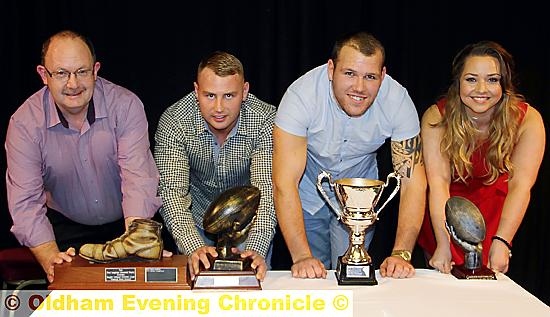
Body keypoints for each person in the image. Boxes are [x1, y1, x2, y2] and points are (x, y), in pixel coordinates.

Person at [5, 30, 164, 282]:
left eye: (81, 71)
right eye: (61, 73)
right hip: (66, 231)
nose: (73, 84)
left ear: (95, 70)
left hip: (127, 224)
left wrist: (137, 241)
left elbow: (138, 179)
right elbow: (25, 201)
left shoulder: (126, 106)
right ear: (43, 75)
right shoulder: (24, 123)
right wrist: (49, 257)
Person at [273, 31, 426, 279]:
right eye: (349, 73)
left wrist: (402, 253)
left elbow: (413, 182)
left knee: (354, 275)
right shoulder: (300, 96)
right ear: (331, 69)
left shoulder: (397, 100)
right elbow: (284, 182)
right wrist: (302, 257)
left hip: (360, 198)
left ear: (383, 76)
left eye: (370, 77)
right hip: (308, 194)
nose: (359, 87)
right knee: (312, 275)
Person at [417, 41, 546, 274]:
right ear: (458, 82)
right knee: (446, 284)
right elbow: (438, 184)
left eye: (493, 79)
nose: (481, 89)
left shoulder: (528, 119)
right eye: (471, 79)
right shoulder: (436, 117)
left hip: (498, 212)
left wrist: (503, 240)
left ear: (504, 84)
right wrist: (444, 244)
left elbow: (521, 185)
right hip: (446, 211)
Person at [154, 51, 277, 281]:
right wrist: (194, 247)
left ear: (245, 91)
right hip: (195, 219)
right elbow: (171, 192)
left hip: (248, 223)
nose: (219, 108)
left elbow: (267, 192)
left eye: (229, 95)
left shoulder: (265, 119)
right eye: (209, 95)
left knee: (252, 292)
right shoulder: (174, 121)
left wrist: (256, 250)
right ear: (196, 91)